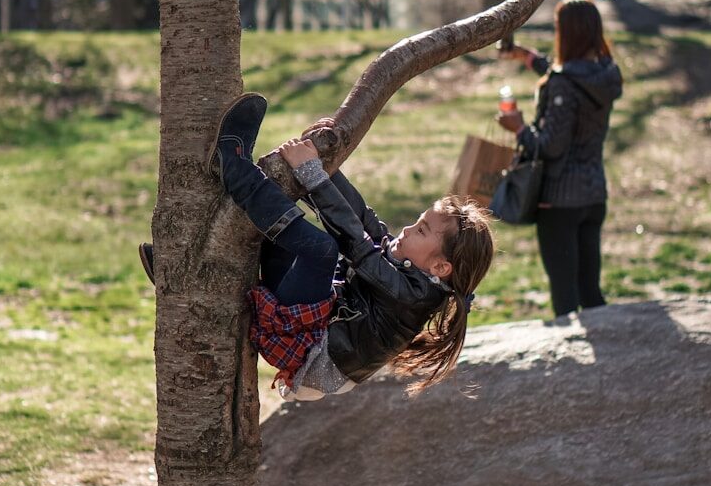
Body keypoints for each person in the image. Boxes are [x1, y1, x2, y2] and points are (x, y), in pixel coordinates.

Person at [140, 93, 494, 400]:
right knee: (278, 239)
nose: (407, 229)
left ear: (440, 267)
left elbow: (357, 244)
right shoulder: (413, 271)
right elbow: (367, 222)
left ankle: (233, 165)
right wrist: (327, 163)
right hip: (319, 321)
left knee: (322, 249)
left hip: (313, 352)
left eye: (421, 231)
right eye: (417, 222)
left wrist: (313, 173)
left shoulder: (411, 295)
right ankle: (194, 280)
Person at [497, 0, 623, 317]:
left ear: (568, 33)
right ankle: (613, 357)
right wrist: (529, 58)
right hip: (594, 196)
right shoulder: (605, 75)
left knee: (565, 296)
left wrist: (519, 128)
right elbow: (569, 80)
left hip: (560, 202)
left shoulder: (563, 85)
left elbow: (551, 146)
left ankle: (574, 364)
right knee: (590, 292)